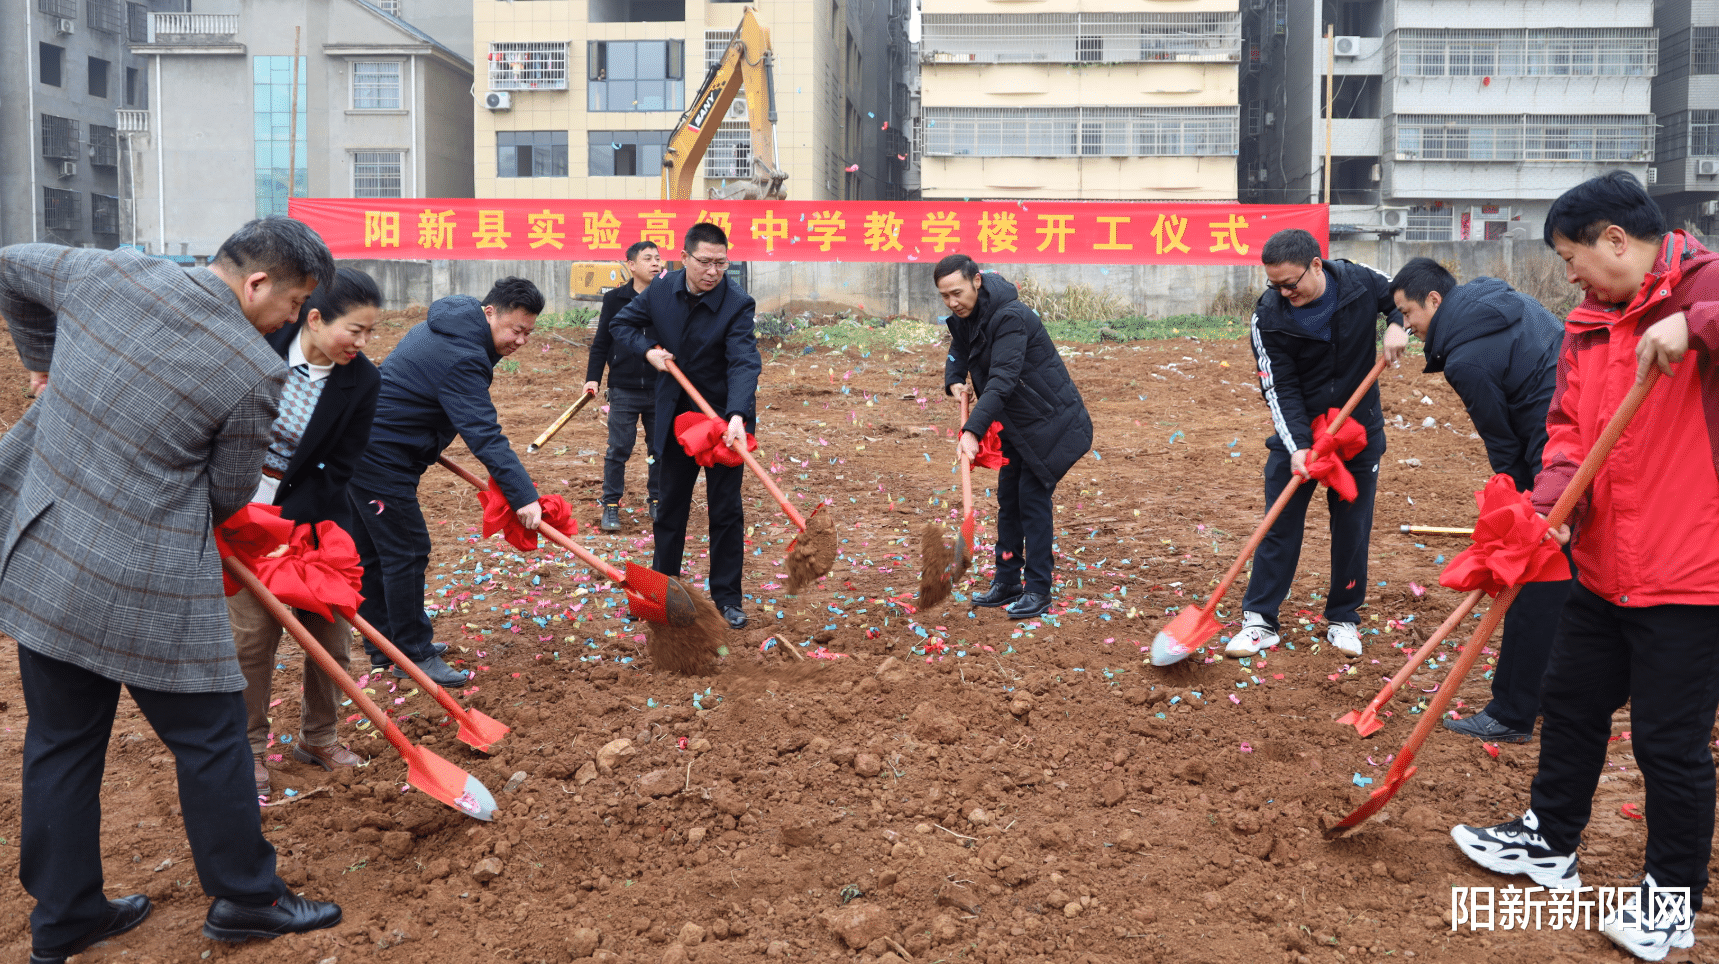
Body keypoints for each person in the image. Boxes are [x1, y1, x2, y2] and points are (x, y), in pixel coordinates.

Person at [0, 218, 344, 961]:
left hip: (49, 560)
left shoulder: (103, 275)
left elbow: (9, 269)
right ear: (256, 284)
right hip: (147, 588)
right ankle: (247, 899)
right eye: (292, 304)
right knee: (213, 739)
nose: (291, 322)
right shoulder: (252, 371)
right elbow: (225, 495)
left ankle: (64, 920)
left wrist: (46, 365)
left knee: (60, 744)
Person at [1450, 171, 1719, 962]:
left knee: (1668, 745)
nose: (1567, 274)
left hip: (1690, 569)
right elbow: (1567, 429)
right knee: (1567, 704)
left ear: (1614, 239)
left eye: (1572, 256)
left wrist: (1698, 325)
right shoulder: (1589, 323)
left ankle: (1668, 901)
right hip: (1604, 562)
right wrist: (1551, 506)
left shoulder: (1703, 286)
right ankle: (1548, 843)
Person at [1389, 257, 1572, 744]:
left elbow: (1502, 444)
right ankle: (1568, 688)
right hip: (1583, 430)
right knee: (1576, 569)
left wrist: (1516, 514)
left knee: (1535, 576)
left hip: (1551, 449)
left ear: (1435, 300)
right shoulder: (1496, 296)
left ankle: (1511, 713)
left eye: (1408, 314)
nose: (1406, 327)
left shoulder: (1465, 361)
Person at [346, 277, 546, 685]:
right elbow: (484, 434)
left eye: (528, 332)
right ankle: (413, 654)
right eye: (515, 329)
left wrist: (423, 433)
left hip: (363, 442)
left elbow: (410, 385)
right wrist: (523, 495)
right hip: (380, 456)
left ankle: (384, 648)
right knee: (406, 549)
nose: (520, 341)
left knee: (374, 553)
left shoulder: (444, 323)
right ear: (489, 312)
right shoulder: (462, 354)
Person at [234, 268, 383, 793]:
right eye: (355, 331)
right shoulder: (260, 344)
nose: (362, 344)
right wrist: (249, 516)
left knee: (331, 630)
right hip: (239, 511)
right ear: (315, 319)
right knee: (253, 639)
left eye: (370, 333)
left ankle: (318, 736)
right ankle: (249, 749)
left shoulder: (361, 381)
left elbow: (342, 465)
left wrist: (291, 531)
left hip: (312, 519)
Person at [1226, 228, 1407, 658]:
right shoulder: (1269, 315)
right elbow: (1278, 387)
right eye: (1276, 285)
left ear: (1316, 265)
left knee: (1352, 527)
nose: (1286, 292)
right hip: (1301, 432)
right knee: (1279, 523)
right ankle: (1260, 621)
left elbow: (1402, 296)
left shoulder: (1358, 281)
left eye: (1292, 283)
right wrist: (1298, 447)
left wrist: (1398, 325)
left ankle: (1344, 617)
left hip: (1356, 428)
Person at [609, 222, 759, 630]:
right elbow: (620, 325)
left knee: (725, 510)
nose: (713, 271)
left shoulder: (737, 303)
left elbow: (744, 360)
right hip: (676, 418)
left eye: (721, 263)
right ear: (685, 258)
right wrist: (649, 353)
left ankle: (727, 599)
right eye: (705, 262)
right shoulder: (661, 289)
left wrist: (737, 416)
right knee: (669, 506)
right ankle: (657, 594)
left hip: (723, 419)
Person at [935, 254, 1093, 620]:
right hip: (1017, 423)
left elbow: (1003, 379)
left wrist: (972, 430)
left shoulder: (1010, 317)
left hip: (1048, 422)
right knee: (1009, 498)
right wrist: (954, 378)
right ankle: (1007, 580)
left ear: (976, 281)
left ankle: (1038, 588)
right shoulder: (968, 316)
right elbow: (960, 348)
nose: (952, 302)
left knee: (1031, 501)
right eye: (944, 296)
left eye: (957, 293)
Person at [585, 241, 666, 532]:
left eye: (658, 258)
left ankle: (657, 500)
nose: (655, 263)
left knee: (659, 448)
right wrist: (592, 378)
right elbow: (602, 343)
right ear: (631, 265)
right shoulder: (615, 300)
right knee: (619, 447)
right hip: (624, 388)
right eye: (648, 258)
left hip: (661, 388)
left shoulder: (667, 298)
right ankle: (610, 505)